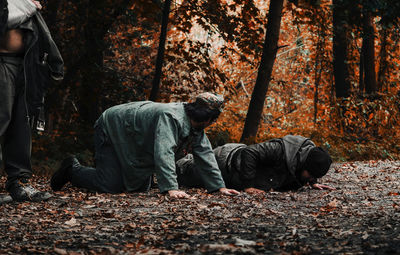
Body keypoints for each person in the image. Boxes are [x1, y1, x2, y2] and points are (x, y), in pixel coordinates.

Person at [51, 93, 240, 198]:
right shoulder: (172, 116)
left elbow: (205, 154)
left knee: (137, 189)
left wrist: (218, 187)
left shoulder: (195, 125)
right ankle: (72, 169)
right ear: (210, 119)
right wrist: (171, 188)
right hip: (111, 126)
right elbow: (164, 152)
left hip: (132, 137)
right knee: (109, 185)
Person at [0, 0, 64, 202]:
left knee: (22, 122)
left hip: (25, 65)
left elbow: (43, 35)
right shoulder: (23, 4)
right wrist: (26, 6)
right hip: (3, 63)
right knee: (1, 118)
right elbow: (5, 20)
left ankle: (20, 181)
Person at [176, 135, 335, 194]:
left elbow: (304, 169)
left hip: (234, 170)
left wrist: (312, 182)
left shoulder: (302, 160)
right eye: (311, 174)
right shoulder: (280, 150)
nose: (310, 178)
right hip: (226, 163)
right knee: (184, 173)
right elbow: (249, 153)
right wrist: (248, 186)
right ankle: (177, 157)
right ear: (305, 164)